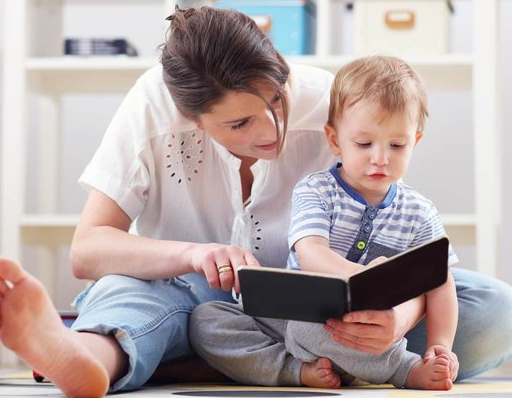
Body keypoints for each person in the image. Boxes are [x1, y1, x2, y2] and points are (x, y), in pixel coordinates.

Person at [0, 6, 512, 398]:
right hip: (192, 296)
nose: (270, 131)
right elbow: (89, 250)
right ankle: (86, 363)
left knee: (496, 310)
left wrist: (399, 317)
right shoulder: (152, 108)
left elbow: (413, 259)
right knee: (130, 300)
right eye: (240, 123)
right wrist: (191, 256)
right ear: (191, 118)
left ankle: (195, 363)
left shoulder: (338, 110)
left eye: (275, 101)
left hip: (325, 312)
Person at [191, 56, 461, 390]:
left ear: (414, 142)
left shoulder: (420, 212)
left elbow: (440, 281)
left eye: (397, 145)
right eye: (363, 144)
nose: (380, 158)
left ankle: (401, 368)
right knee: (207, 320)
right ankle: (297, 371)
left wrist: (441, 346)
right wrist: (366, 278)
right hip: (296, 316)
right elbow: (311, 253)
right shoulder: (316, 190)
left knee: (313, 331)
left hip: (361, 328)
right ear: (334, 140)